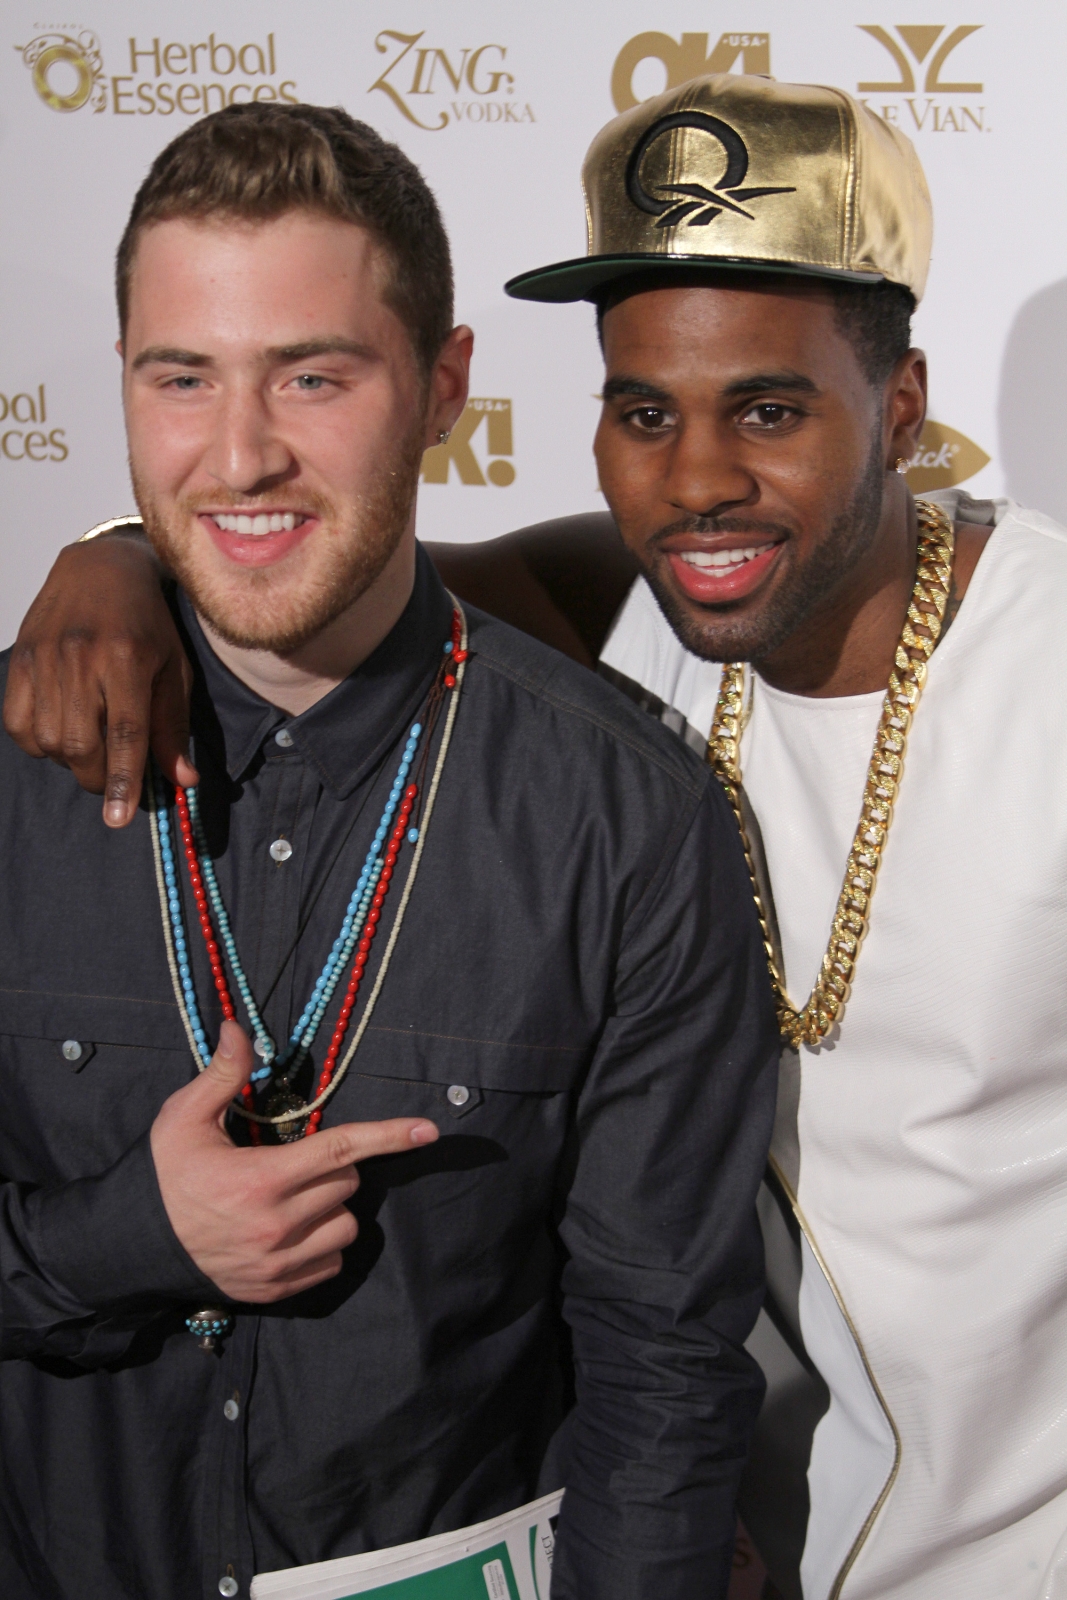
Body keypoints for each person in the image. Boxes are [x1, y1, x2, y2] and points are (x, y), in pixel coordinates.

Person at [24, 75, 1067, 1600]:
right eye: (643, 412)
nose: (698, 480)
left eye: (770, 409)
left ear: (902, 406)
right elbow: (313, 536)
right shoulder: (643, 606)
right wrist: (118, 553)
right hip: (735, 1541)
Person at [0, 102, 780, 1600]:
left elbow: (663, 1377)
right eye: (184, 376)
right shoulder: (14, 768)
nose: (241, 453)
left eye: (313, 375)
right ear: (123, 384)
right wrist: (122, 1240)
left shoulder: (625, 812)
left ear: (443, 386)